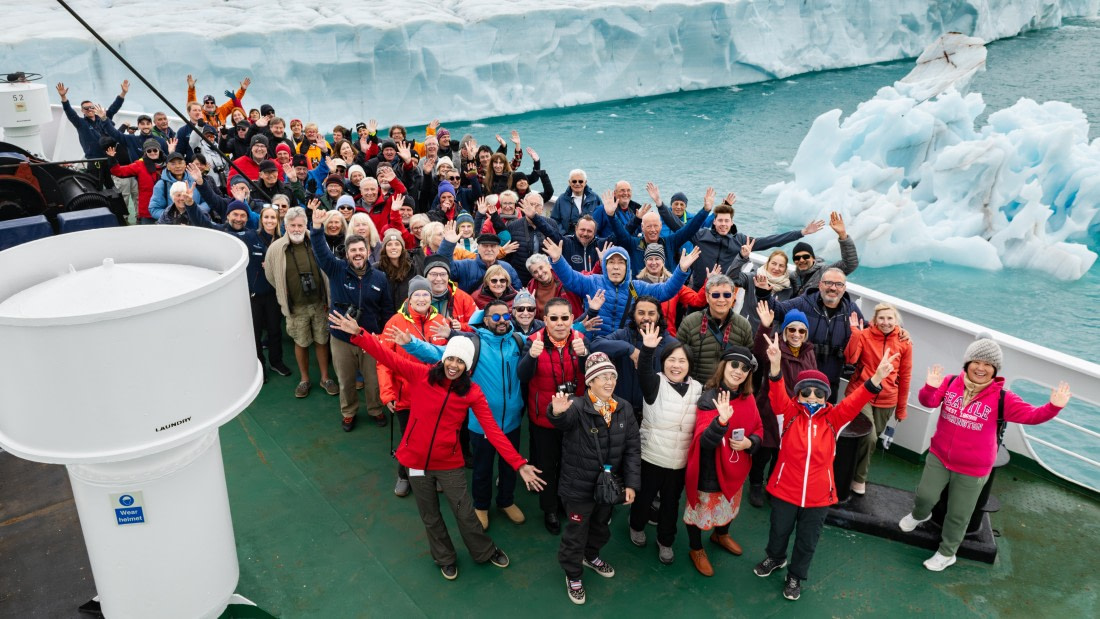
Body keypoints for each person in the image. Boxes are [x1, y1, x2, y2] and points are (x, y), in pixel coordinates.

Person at [331, 315, 544, 581]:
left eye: (461, 362)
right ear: (444, 359)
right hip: (416, 462)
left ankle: (483, 551)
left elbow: (493, 431)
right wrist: (358, 333)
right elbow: (387, 357)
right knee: (430, 515)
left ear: (468, 367)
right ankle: (444, 557)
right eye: (451, 359)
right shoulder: (420, 375)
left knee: (465, 513)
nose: (454, 365)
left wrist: (518, 463)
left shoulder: (472, 393)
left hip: (448, 462)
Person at [899, 336, 1071, 572]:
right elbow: (927, 402)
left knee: (959, 514)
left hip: (973, 468)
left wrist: (1053, 407)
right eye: (976, 362)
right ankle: (919, 515)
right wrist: (930, 386)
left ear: (995, 369)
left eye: (988, 364)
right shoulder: (949, 383)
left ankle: (947, 553)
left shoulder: (1003, 398)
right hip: (939, 456)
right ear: (967, 363)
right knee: (925, 496)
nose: (981, 368)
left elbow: (1032, 415)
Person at [754, 333, 897, 602]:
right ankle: (775, 558)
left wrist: (877, 377)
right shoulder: (787, 413)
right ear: (798, 394)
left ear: (825, 396)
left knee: (808, 540)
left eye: (818, 393)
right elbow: (775, 392)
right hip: (785, 489)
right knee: (778, 530)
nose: (812, 396)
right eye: (805, 392)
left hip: (819, 496)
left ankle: (796, 575)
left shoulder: (834, 419)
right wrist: (774, 364)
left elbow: (856, 401)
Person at [401, 300, 529, 531]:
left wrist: (580, 326)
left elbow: (547, 337)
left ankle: (506, 501)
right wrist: (411, 343)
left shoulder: (518, 341)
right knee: (482, 468)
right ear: (486, 319)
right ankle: (481, 505)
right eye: (496, 317)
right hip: (481, 425)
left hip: (512, 421)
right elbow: (438, 353)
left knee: (509, 467)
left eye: (505, 316)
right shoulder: (474, 344)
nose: (502, 321)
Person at [548, 352, 641, 605]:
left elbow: (633, 448)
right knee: (576, 531)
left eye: (612, 376)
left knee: (601, 525)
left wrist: (631, 484)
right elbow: (562, 421)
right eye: (602, 377)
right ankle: (573, 573)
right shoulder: (576, 407)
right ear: (589, 382)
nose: (609, 382)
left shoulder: (624, 408)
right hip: (578, 487)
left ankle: (591, 555)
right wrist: (556, 412)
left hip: (608, 487)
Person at [310, 208, 393, 431]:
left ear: (368, 252)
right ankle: (349, 412)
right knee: (346, 381)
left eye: (361, 250)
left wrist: (383, 336)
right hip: (341, 338)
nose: (357, 253)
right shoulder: (336, 269)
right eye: (353, 250)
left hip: (370, 338)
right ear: (347, 254)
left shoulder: (380, 277)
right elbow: (320, 252)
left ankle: (375, 409)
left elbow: (386, 309)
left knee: (373, 381)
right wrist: (316, 229)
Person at [627, 324, 703, 566]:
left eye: (682, 361)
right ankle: (636, 526)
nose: (676, 365)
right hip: (652, 456)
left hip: (679, 461)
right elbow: (643, 371)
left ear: (689, 365)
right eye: (671, 359)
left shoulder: (698, 389)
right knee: (644, 496)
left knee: (671, 503)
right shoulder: (654, 384)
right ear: (663, 362)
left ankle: (666, 541)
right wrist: (648, 349)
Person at [683, 347, 762, 576]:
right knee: (699, 512)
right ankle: (696, 549)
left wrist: (751, 443)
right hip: (710, 472)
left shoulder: (748, 398)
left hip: (735, 468)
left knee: (729, 505)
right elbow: (704, 441)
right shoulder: (709, 399)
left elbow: (758, 427)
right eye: (734, 365)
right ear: (723, 366)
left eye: (744, 368)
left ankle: (720, 534)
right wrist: (721, 422)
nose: (739, 371)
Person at [518, 297, 589, 535]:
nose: (560, 323)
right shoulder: (532, 342)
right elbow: (523, 375)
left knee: (570, 463)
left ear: (571, 319)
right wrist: (531, 357)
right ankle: (549, 508)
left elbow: (591, 376)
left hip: (572, 416)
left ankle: (565, 502)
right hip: (544, 418)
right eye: (554, 318)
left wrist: (584, 357)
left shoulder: (580, 341)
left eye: (565, 318)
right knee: (547, 465)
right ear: (545, 320)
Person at [376, 276, 451, 497]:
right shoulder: (395, 322)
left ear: (431, 297)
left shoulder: (442, 322)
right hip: (406, 397)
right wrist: (387, 392)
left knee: (436, 435)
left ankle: (435, 473)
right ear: (409, 297)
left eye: (425, 294)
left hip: (435, 394)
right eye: (417, 294)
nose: (421, 298)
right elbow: (383, 361)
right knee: (410, 438)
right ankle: (404, 474)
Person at [544, 240, 698, 338]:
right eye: (611, 262)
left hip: (624, 346)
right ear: (605, 265)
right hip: (594, 344)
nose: (616, 267)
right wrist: (557, 260)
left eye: (621, 263)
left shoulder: (636, 287)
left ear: (627, 267)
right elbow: (570, 278)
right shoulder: (592, 282)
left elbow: (665, 291)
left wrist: (681, 270)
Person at [263, 207, 339, 399]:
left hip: (320, 303)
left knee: (322, 340)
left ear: (306, 225)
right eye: (292, 225)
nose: (297, 229)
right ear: (285, 226)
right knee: (301, 342)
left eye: (300, 225)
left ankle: (325, 378)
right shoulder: (276, 248)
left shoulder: (316, 241)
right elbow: (271, 276)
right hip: (296, 307)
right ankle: (304, 379)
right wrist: (284, 291)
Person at [747, 303, 816, 508]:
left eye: (801, 330)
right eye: (792, 329)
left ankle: (773, 483)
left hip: (795, 414)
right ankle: (756, 484)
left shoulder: (809, 352)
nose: (796, 334)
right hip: (769, 411)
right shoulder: (775, 348)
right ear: (785, 331)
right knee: (763, 452)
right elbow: (758, 352)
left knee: (782, 453)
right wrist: (765, 327)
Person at [760, 267, 863, 402]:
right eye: (828, 283)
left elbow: (869, 331)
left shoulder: (851, 309)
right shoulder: (804, 302)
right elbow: (778, 310)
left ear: (844, 288)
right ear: (820, 285)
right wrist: (764, 294)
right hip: (800, 380)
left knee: (824, 420)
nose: (833, 288)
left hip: (830, 382)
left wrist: (898, 333)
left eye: (838, 284)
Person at [845, 303, 913, 495]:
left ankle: (849, 469)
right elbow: (850, 359)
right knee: (870, 436)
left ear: (896, 320)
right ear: (875, 320)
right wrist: (856, 335)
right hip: (861, 392)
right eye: (881, 318)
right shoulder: (865, 335)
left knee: (870, 442)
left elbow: (906, 376)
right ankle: (859, 478)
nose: (885, 322)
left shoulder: (904, 342)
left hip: (887, 399)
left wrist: (901, 408)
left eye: (890, 318)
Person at [676, 274, 753, 382]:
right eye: (716, 295)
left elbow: (748, 361)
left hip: (726, 391)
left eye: (727, 295)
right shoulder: (690, 322)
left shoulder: (744, 326)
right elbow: (677, 358)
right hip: (694, 390)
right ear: (707, 297)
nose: (721, 300)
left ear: (733, 296)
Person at [789, 212, 859, 296]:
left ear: (813, 258)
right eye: (797, 258)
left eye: (805, 256)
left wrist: (842, 235)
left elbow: (849, 264)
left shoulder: (825, 272)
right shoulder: (793, 276)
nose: (801, 260)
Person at [438, 230, 522, 294]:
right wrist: (448, 244)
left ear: (498, 249)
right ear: (478, 248)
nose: (489, 249)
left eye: (493, 246)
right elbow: (443, 267)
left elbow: (517, 292)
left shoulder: (507, 268)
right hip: (471, 312)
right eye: (485, 246)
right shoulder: (465, 265)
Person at [423, 255, 478, 331]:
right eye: (433, 274)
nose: (439, 279)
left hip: (456, 341)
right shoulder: (415, 299)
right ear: (425, 276)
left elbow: (478, 325)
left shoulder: (464, 298)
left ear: (448, 276)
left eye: (443, 274)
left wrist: (461, 326)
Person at [550, 169, 603, 235]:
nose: (577, 184)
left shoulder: (594, 198)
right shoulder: (562, 199)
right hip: (568, 238)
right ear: (569, 182)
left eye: (580, 181)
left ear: (585, 182)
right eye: (574, 181)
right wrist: (564, 235)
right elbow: (554, 220)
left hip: (590, 238)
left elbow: (602, 219)